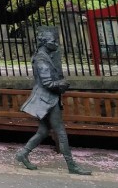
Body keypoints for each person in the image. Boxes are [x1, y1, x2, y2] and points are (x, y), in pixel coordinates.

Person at [15, 27, 91, 175]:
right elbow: (48, 83)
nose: (56, 43)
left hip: (48, 99)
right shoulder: (42, 59)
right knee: (61, 132)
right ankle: (71, 165)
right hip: (48, 100)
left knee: (43, 131)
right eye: (53, 40)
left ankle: (23, 153)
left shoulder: (45, 56)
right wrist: (62, 84)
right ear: (44, 42)